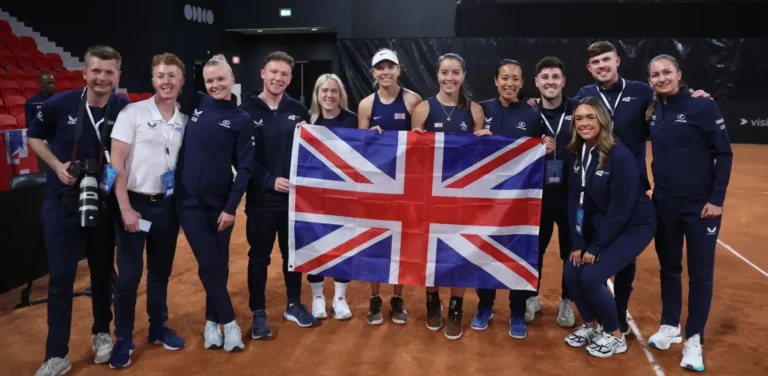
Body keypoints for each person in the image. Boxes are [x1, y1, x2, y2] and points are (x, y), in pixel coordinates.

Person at [570, 41, 710, 335]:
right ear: (589, 68)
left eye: (606, 59)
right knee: (596, 257)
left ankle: (619, 313)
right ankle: (598, 316)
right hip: (597, 189)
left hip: (629, 188)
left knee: (624, 258)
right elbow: (564, 118)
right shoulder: (585, 95)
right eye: (595, 62)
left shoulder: (642, 91)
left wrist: (694, 95)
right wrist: (532, 102)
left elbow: (670, 103)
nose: (602, 66)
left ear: (618, 60)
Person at [28, 45, 130, 376]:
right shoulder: (60, 103)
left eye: (109, 72)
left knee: (102, 273)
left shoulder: (124, 108)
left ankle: (102, 333)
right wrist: (58, 166)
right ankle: (57, 354)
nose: (102, 78)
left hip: (103, 200)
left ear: (118, 75)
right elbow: (34, 138)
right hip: (62, 200)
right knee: (60, 278)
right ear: (84, 72)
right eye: (96, 71)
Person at [644, 54, 732, 372]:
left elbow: (724, 152)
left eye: (667, 72)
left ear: (679, 73)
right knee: (669, 268)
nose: (662, 78)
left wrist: (717, 199)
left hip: (701, 208)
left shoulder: (702, 106)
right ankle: (671, 325)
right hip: (664, 203)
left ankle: (694, 339)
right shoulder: (653, 109)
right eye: (655, 74)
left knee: (700, 275)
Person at [108, 53, 188, 369]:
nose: (166, 81)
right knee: (128, 277)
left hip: (166, 208)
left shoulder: (184, 119)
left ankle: (157, 328)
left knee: (160, 273)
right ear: (153, 80)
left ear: (181, 81)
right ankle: (123, 339)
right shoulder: (133, 113)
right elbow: (116, 165)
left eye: (172, 75)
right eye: (160, 75)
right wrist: (125, 207)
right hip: (134, 206)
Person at [563, 97, 656, 359]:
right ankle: (592, 326)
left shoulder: (619, 154)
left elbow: (621, 208)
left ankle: (616, 335)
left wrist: (597, 246)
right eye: (579, 118)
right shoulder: (577, 151)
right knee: (571, 271)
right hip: (603, 221)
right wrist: (579, 242)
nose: (584, 123)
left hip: (633, 225)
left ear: (602, 120)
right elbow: (575, 199)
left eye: (590, 117)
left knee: (591, 277)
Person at [175, 54, 254, 353]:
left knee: (218, 267)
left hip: (221, 205)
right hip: (189, 203)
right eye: (210, 81)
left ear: (232, 79)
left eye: (221, 79)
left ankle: (211, 322)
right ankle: (230, 323)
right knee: (209, 263)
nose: (215, 85)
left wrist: (231, 207)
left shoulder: (241, 120)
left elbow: (245, 168)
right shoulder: (195, 103)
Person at [472, 59, 554, 339]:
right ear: (495, 81)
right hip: (486, 197)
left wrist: (545, 146)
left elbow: (540, 147)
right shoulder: (481, 109)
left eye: (515, 78)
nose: (510, 83)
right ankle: (485, 306)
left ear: (522, 82)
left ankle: (517, 310)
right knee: (485, 250)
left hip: (519, 200)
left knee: (519, 252)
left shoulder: (532, 114)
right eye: (504, 78)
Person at [240, 51, 317, 339]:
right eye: (273, 72)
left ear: (290, 78)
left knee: (292, 256)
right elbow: (242, 156)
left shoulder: (299, 110)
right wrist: (269, 180)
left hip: (294, 203)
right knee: (258, 256)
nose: (278, 78)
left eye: (284, 74)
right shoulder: (245, 110)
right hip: (261, 200)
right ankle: (259, 312)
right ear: (263, 73)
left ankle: (294, 304)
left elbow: (311, 153)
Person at [410, 53, 485, 340]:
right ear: (437, 75)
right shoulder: (422, 109)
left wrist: (486, 140)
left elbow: (482, 158)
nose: (449, 78)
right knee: (430, 252)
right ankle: (432, 300)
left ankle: (456, 305)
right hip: (429, 194)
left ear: (464, 75)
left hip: (463, 196)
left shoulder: (475, 111)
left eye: (455, 72)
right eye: (444, 72)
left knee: (459, 251)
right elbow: (410, 158)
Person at [356, 48, 422, 325]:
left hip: (406, 185)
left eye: (390, 67)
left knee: (401, 242)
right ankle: (375, 297)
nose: (385, 72)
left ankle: (397, 297)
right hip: (377, 185)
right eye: (380, 68)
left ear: (399, 70)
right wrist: (369, 138)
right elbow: (360, 148)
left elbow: (421, 145)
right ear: (373, 72)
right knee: (375, 242)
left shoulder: (412, 100)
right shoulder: (366, 105)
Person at [532, 56, 578, 328]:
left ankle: (567, 301)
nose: (550, 82)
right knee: (533, 249)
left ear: (564, 81)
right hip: (537, 195)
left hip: (572, 195)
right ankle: (530, 297)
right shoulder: (527, 112)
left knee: (571, 251)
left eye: (555, 77)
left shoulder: (579, 108)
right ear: (537, 82)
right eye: (545, 77)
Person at [305, 73, 355, 320]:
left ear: (340, 94)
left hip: (344, 197)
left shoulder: (353, 121)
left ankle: (340, 297)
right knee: (315, 245)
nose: (329, 95)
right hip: (314, 197)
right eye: (324, 90)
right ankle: (317, 296)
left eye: (334, 91)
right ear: (317, 94)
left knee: (343, 245)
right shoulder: (308, 122)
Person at [25, 72, 55, 173]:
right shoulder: (31, 102)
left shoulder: (60, 99)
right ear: (40, 84)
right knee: (45, 173)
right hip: (42, 143)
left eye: (53, 83)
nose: (51, 86)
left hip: (59, 141)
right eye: (48, 83)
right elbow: (30, 125)